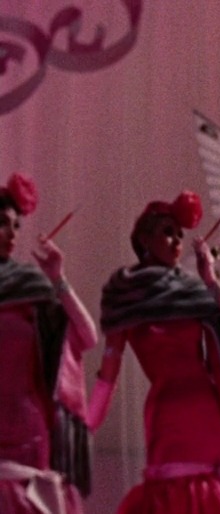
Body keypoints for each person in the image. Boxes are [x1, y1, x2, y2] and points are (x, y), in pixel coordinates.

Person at [88, 191, 220, 513]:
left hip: (207, 411)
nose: (178, 240)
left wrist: (211, 282)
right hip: (166, 415)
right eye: (168, 232)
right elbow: (107, 377)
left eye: (180, 234)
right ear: (144, 239)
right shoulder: (126, 298)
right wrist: (86, 427)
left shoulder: (193, 292)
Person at [0, 173, 96, 514]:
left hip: (28, 430)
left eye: (16, 225)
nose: (12, 233)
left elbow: (87, 336)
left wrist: (57, 278)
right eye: (2, 224)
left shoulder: (31, 288)